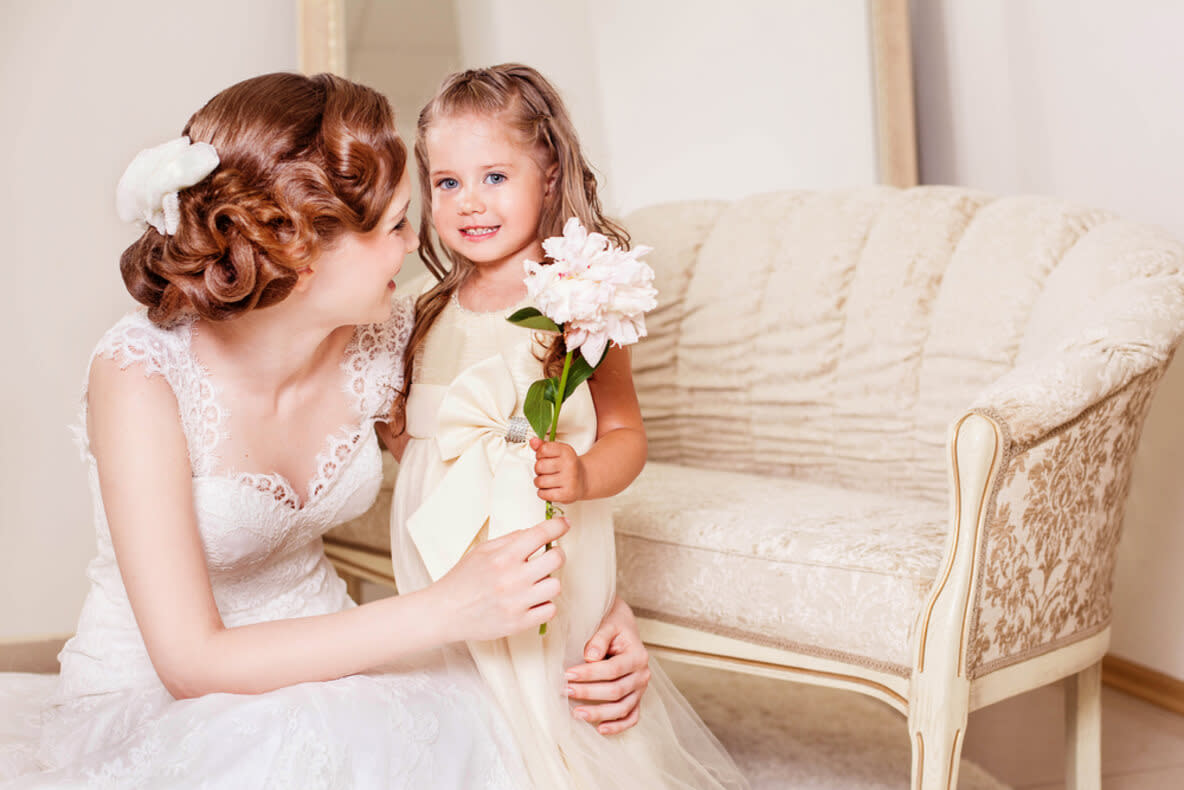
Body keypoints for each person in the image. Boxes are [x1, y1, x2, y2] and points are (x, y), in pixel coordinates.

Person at [0, 71, 654, 789]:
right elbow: (191, 663)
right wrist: (443, 610)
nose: (414, 248)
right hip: (162, 690)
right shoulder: (139, 374)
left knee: (504, 733)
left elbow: (488, 472)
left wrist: (593, 612)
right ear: (305, 248)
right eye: (396, 224)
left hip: (344, 658)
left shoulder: (389, 334)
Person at [387, 64, 748, 789]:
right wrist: (400, 431)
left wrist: (582, 473)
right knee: (456, 686)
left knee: (542, 683)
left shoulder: (578, 298)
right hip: (441, 530)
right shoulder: (427, 301)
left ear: (549, 175)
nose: (469, 203)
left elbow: (625, 434)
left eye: (494, 176)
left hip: (539, 526)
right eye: (448, 182)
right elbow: (422, 426)